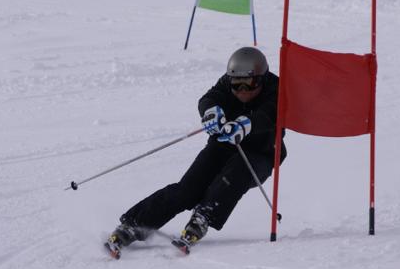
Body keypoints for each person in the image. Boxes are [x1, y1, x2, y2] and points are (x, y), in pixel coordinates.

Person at [107, 46, 286, 253]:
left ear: (262, 79)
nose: (243, 90)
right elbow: (209, 99)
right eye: (237, 84)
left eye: (250, 83)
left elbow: (270, 113)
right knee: (187, 189)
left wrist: (247, 124)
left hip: (260, 153)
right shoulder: (225, 84)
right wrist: (211, 112)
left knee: (232, 177)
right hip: (224, 144)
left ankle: (203, 217)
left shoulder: (277, 89)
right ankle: (134, 224)